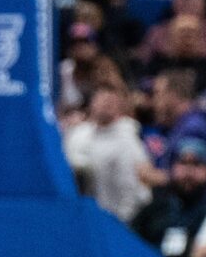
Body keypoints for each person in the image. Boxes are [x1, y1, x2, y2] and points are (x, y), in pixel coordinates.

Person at [65, 80, 160, 224]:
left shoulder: (128, 138)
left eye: (111, 102)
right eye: (102, 100)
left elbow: (131, 187)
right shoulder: (79, 134)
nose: (105, 105)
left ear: (120, 107)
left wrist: (123, 222)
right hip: (88, 215)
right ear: (92, 103)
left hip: (120, 218)